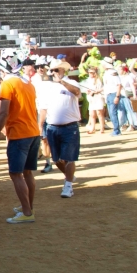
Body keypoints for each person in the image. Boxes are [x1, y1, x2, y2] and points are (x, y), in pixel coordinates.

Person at [0, 57, 40, 224]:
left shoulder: (8, 84)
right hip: (32, 131)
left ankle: (26, 211)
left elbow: (3, 113)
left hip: (19, 134)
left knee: (16, 174)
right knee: (27, 172)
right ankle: (28, 207)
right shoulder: (28, 85)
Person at [41, 61, 82, 199]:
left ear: (63, 70)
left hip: (70, 126)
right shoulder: (47, 88)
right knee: (56, 159)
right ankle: (69, 177)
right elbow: (44, 108)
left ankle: (68, 185)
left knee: (69, 157)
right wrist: (39, 125)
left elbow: (77, 92)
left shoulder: (72, 83)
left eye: (56, 70)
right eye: (52, 70)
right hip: (52, 127)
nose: (53, 73)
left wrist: (62, 82)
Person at [84, 64, 106, 134]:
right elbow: (85, 88)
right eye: (89, 72)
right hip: (91, 99)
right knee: (92, 114)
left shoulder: (98, 79)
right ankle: (92, 128)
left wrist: (95, 91)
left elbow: (101, 88)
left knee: (99, 113)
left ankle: (102, 128)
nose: (90, 74)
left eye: (92, 72)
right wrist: (87, 91)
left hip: (98, 97)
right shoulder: (87, 80)